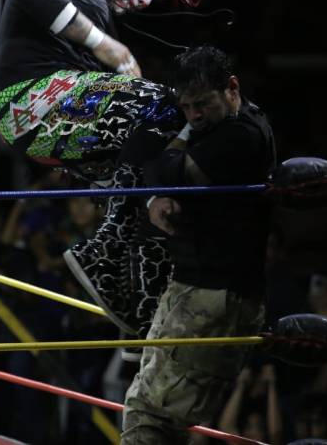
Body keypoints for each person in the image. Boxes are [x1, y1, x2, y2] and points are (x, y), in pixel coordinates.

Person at [0, 0, 210, 337]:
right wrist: (104, 46)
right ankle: (104, 249)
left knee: (158, 188)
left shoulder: (103, 14)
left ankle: (142, 314)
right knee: (169, 105)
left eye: (153, 0)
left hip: (54, 128)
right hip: (28, 99)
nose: (143, 2)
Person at [121, 45, 276, 443]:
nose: (195, 115)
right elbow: (154, 164)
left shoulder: (242, 135)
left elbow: (169, 170)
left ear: (232, 89)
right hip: (195, 285)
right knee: (147, 404)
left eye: (203, 103)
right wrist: (158, 188)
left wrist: (170, 146)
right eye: (186, 107)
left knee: (152, 414)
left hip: (217, 295)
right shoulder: (213, 129)